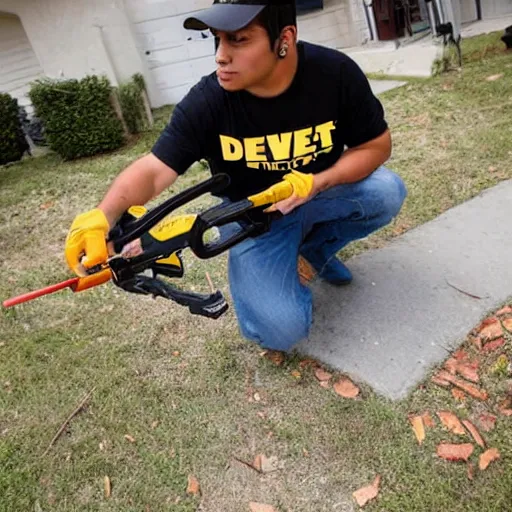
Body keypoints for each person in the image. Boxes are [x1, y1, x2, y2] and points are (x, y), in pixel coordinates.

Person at [65, 0, 407, 353]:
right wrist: (101, 218)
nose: (220, 56)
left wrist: (318, 182)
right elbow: (153, 170)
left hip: (319, 193)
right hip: (251, 218)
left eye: (239, 40)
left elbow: (376, 146)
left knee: (386, 191)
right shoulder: (209, 100)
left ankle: (312, 250)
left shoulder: (334, 74)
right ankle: (286, 270)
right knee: (280, 332)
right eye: (217, 40)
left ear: (284, 38)